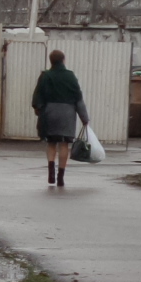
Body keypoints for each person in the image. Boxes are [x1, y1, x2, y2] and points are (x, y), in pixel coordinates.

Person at [31, 48, 86, 187]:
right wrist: (84, 118)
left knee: (51, 143)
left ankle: (50, 170)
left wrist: (38, 109)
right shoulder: (70, 76)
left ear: (51, 61)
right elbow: (78, 98)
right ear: (63, 60)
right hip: (67, 113)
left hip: (50, 112)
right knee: (64, 144)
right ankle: (60, 176)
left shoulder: (45, 75)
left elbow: (37, 95)